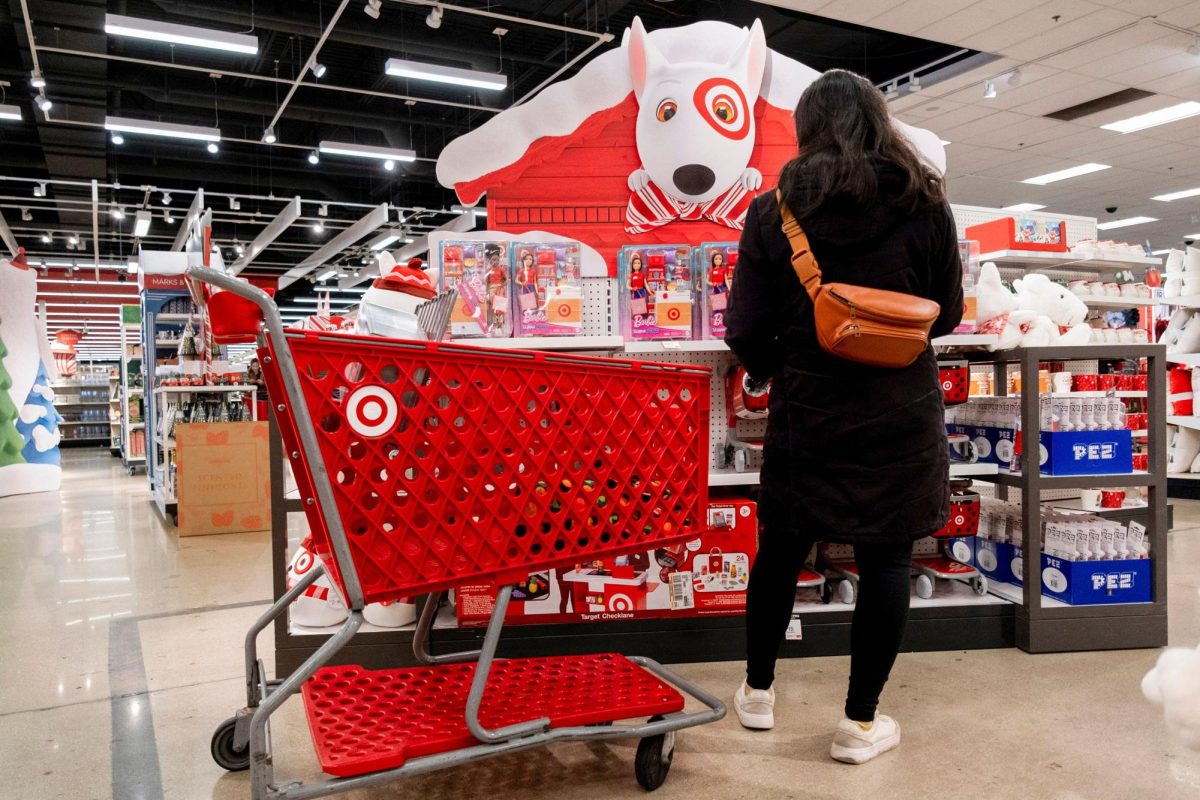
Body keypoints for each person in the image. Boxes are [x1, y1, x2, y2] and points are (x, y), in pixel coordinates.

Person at [723, 69, 964, 765]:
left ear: (807, 130)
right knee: (888, 558)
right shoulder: (924, 200)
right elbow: (945, 312)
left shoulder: (775, 211)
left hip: (810, 411)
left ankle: (759, 693)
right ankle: (859, 726)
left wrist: (785, 362)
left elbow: (744, 325)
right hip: (901, 410)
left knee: (780, 550)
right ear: (877, 122)